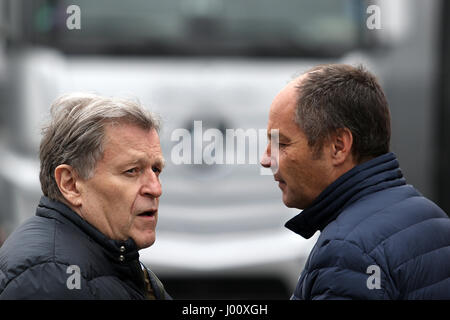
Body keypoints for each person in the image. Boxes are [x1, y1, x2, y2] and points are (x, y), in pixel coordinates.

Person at [260, 64, 450, 299]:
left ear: (338, 147)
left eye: (283, 144)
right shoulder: (434, 219)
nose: (266, 159)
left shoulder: (346, 253)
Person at [0, 93, 171, 299]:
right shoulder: (50, 277)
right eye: (132, 171)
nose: (155, 189)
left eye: (156, 170)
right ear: (70, 184)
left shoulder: (109, 257)